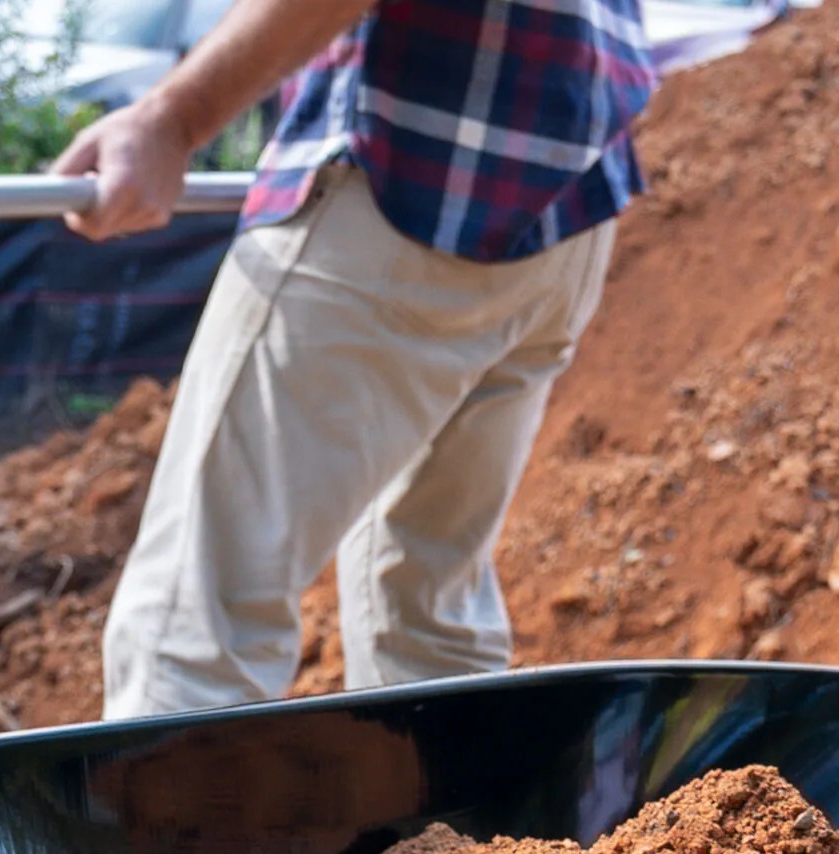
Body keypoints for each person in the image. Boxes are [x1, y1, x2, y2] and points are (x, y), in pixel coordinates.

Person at [53, 0, 652, 717]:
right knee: (432, 626)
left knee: (195, 629)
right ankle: (452, 827)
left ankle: (163, 834)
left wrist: (174, 120)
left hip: (408, 173)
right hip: (566, 199)